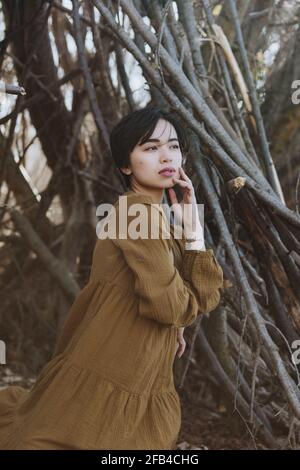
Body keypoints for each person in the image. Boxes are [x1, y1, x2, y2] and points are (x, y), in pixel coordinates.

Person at [0, 105, 223, 450]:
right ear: (125, 164)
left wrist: (193, 229)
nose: (166, 156)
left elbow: (203, 296)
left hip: (139, 371)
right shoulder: (136, 213)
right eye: (150, 148)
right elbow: (172, 305)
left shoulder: (160, 216)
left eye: (174, 146)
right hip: (113, 365)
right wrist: (178, 315)